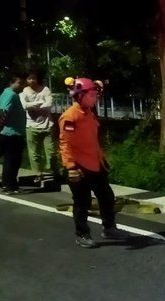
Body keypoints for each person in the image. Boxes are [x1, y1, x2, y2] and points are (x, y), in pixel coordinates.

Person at [59, 76, 127, 248]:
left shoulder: (89, 113)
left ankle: (109, 228)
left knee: (107, 197)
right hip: (79, 167)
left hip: (96, 164)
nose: (95, 97)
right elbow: (65, 144)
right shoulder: (70, 117)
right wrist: (70, 167)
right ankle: (82, 234)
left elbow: (93, 141)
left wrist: (102, 159)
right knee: (82, 202)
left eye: (96, 95)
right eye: (92, 95)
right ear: (81, 96)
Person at [20, 70, 55, 183]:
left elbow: (49, 104)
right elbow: (24, 105)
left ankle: (55, 172)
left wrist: (33, 106)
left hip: (47, 125)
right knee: (34, 153)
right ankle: (38, 174)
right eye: (29, 78)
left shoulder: (45, 89)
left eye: (33, 78)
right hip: (31, 125)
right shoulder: (24, 91)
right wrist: (39, 103)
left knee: (51, 152)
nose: (31, 80)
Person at [0, 74, 27, 195]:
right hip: (12, 133)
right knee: (13, 161)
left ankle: (8, 184)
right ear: (11, 82)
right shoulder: (11, 94)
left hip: (10, 132)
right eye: (19, 83)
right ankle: (10, 186)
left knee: (9, 160)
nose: (21, 86)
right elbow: (3, 110)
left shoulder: (5, 92)